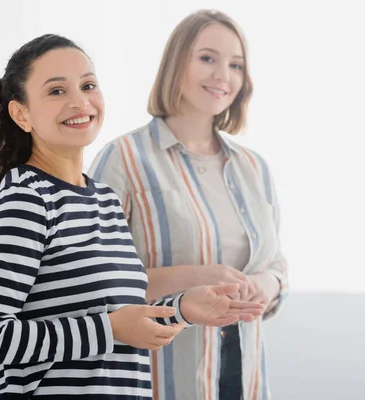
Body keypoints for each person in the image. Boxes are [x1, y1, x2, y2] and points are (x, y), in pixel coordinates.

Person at [0, 33, 265, 400]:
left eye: (88, 85)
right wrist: (109, 329)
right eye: (57, 91)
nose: (80, 101)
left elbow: (121, 321)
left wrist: (183, 308)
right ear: (21, 113)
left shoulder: (103, 199)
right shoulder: (26, 200)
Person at [88, 10, 289, 400]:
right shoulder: (123, 159)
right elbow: (94, 283)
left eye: (236, 65)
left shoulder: (253, 168)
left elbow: (276, 262)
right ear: (176, 62)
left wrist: (267, 284)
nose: (222, 76)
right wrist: (199, 276)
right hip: (157, 382)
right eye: (207, 58)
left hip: (244, 382)